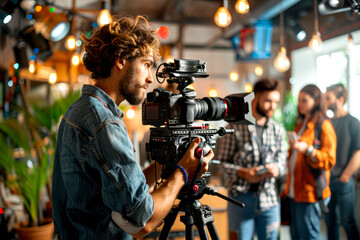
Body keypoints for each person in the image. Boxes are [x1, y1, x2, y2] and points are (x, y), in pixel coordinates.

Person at [51, 15, 213, 240]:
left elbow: (120, 188)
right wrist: (183, 173)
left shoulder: (81, 110)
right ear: (120, 61)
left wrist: (168, 164)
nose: (149, 78)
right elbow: (143, 220)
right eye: (146, 65)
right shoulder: (104, 124)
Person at [216, 78, 287, 240]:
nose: (273, 106)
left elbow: (282, 162)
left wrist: (276, 169)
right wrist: (243, 172)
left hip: (269, 199)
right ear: (255, 99)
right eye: (268, 101)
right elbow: (219, 163)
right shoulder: (234, 127)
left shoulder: (277, 129)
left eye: (276, 101)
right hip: (240, 198)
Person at [284, 84, 336, 240]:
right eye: (299, 100)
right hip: (294, 191)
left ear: (316, 101)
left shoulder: (323, 124)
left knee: (309, 236)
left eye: (304, 100)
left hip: (310, 192)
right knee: (296, 235)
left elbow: (329, 159)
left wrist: (308, 149)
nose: (300, 104)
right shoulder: (300, 124)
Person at [324, 83, 360, 240]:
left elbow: (358, 152)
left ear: (340, 99)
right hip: (326, 180)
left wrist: (345, 176)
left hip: (344, 181)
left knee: (348, 221)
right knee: (330, 222)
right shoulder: (327, 122)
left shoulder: (353, 122)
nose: (325, 101)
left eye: (328, 98)